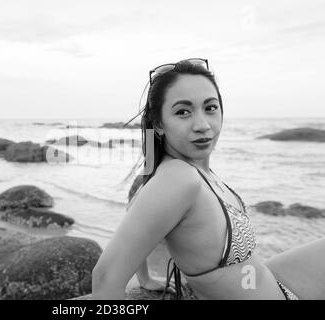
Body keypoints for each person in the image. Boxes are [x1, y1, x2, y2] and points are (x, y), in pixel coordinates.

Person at [92, 58, 325, 300]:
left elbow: (134, 211)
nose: (202, 125)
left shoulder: (189, 171)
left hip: (268, 283)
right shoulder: (178, 178)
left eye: (210, 108)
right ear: (159, 124)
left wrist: (145, 278)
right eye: (183, 112)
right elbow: (105, 278)